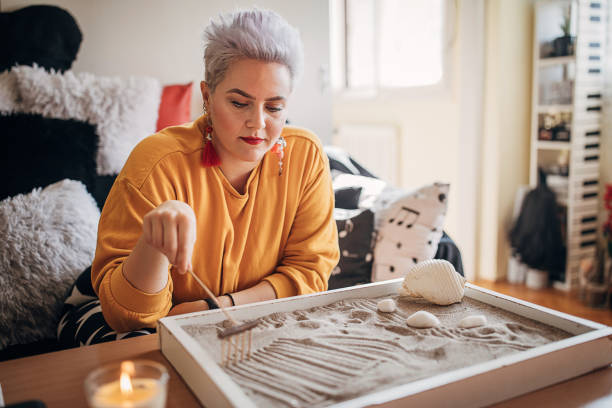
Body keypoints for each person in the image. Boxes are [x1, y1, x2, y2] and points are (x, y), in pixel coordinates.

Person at [91, 8, 339, 332]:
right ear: (207, 97)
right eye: (239, 103)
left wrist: (216, 307)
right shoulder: (156, 165)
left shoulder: (305, 156)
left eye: (275, 107)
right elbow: (127, 318)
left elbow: (310, 275)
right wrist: (153, 246)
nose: (258, 122)